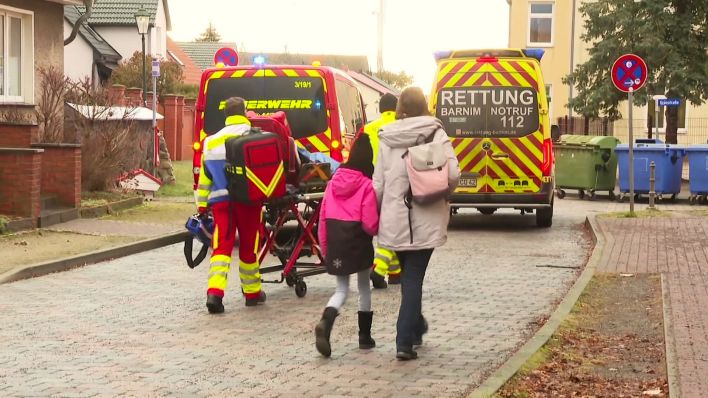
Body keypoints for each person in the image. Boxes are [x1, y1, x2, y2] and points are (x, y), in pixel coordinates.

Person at [373, 87, 460, 360]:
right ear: (424, 106)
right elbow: (454, 174)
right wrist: (444, 192)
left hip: (395, 218)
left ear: (400, 108)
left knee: (411, 277)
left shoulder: (387, 138)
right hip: (427, 214)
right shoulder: (437, 134)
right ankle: (404, 340)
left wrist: (377, 214)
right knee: (413, 277)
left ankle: (416, 326)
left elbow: (378, 184)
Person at [196, 97, 267, 313]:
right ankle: (252, 293)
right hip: (248, 202)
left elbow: (205, 179)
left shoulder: (210, 141)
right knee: (248, 246)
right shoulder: (256, 136)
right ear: (244, 112)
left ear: (226, 115)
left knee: (222, 246)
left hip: (221, 203)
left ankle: (215, 294)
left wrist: (201, 206)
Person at [314, 134, 379, 357]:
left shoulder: (332, 183)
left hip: (336, 240)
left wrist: (325, 248)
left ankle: (326, 321)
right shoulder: (367, 185)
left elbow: (322, 220)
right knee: (363, 287)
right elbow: (370, 224)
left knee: (341, 289)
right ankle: (364, 337)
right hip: (358, 241)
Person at [362, 93, 401, 289]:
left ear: (380, 109)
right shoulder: (404, 127)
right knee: (392, 230)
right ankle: (379, 269)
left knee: (387, 227)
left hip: (372, 184)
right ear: (398, 108)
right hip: (398, 184)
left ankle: (395, 273)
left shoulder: (368, 129)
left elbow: (360, 155)